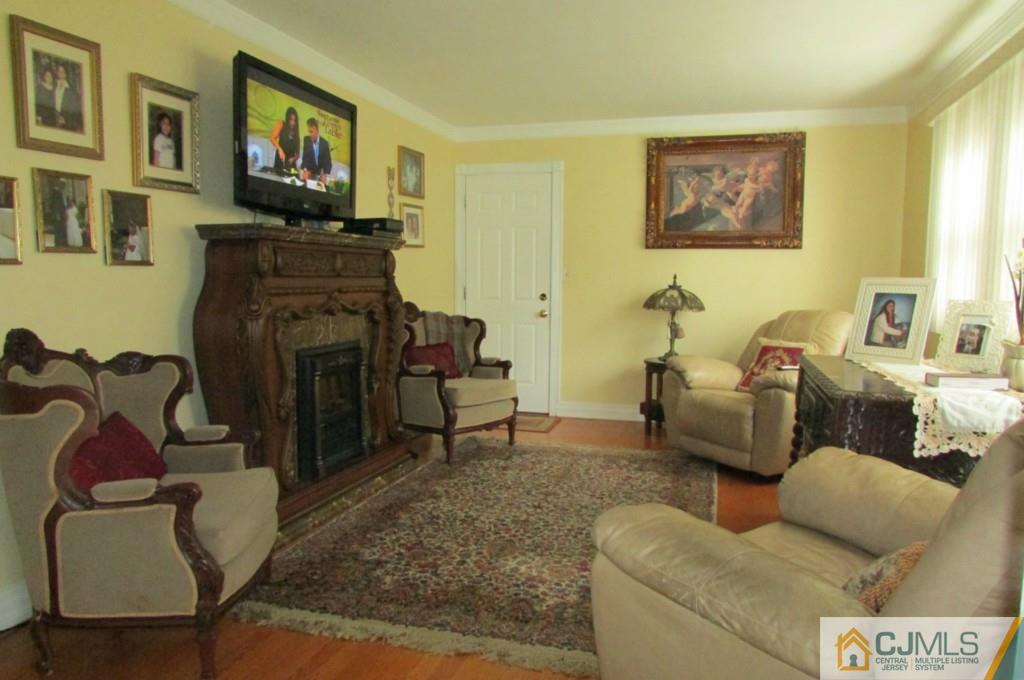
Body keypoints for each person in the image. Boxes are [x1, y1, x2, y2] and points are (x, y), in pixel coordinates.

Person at [300, 118, 332, 184]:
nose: (310, 134)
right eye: (309, 132)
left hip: (319, 175)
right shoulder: (306, 140)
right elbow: (305, 158)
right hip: (308, 172)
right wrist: (305, 170)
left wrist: (324, 174)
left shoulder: (325, 143)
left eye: (311, 132)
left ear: (317, 130)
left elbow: (328, 162)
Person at [270, 107, 300, 174]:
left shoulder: (296, 132)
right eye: (291, 120)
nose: (293, 123)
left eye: (295, 120)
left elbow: (298, 155)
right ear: (287, 118)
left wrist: (293, 159)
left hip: (291, 166)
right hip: (280, 161)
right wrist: (280, 149)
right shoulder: (281, 124)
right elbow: (272, 138)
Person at [53, 63, 82, 132]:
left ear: (66, 74)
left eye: (62, 71)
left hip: (66, 123)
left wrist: (65, 119)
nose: (60, 73)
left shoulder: (71, 90)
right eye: (59, 71)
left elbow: (75, 109)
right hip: (54, 120)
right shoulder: (53, 86)